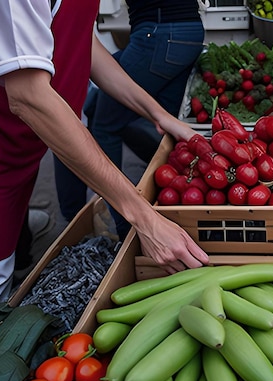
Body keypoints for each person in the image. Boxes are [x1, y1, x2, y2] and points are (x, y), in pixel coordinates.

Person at [0, 0, 210, 311]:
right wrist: (143, 217)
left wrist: (158, 115)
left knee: (7, 249)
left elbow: (82, 42)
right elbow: (28, 95)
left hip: (23, 142)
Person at [56, 0, 204, 239]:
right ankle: (175, 202)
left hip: (158, 34)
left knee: (105, 126)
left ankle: (126, 228)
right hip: (186, 32)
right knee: (100, 107)